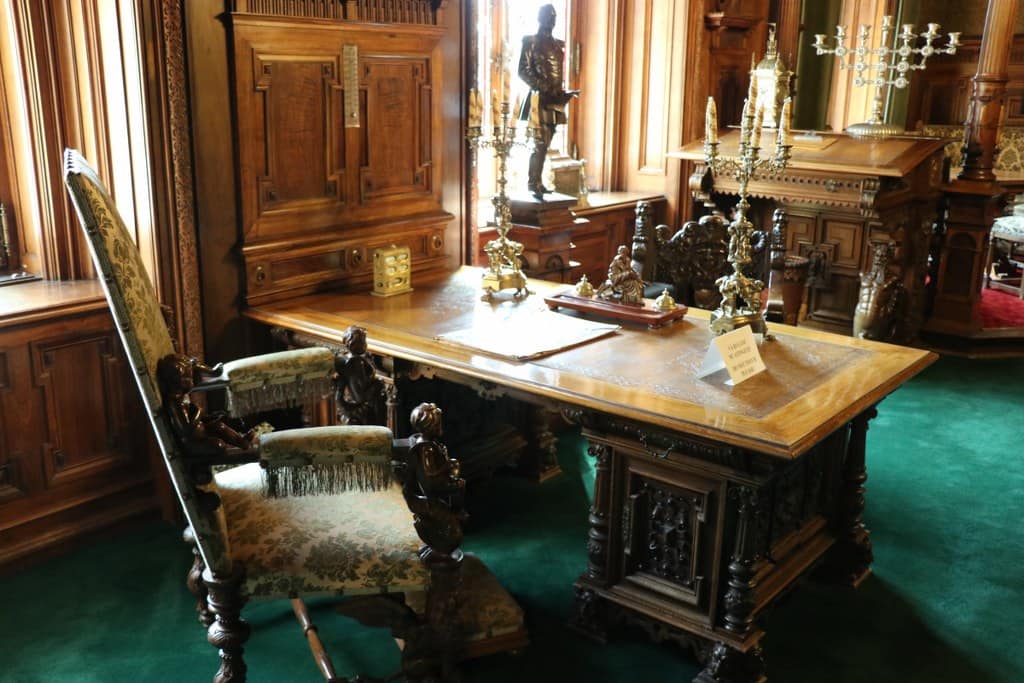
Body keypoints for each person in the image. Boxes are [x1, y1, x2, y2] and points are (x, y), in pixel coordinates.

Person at [518, 4, 578, 198]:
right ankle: (532, 182)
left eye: (554, 17)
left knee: (546, 142)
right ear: (540, 18)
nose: (552, 20)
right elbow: (523, 71)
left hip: (555, 100)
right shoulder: (531, 42)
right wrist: (544, 87)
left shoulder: (558, 45)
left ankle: (537, 181)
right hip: (540, 100)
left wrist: (563, 92)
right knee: (540, 143)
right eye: (548, 16)